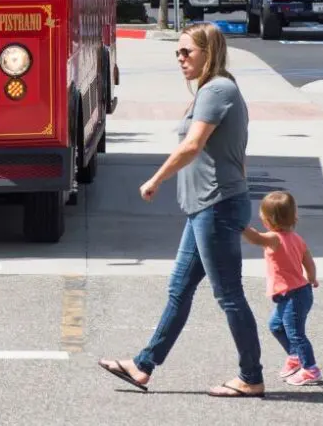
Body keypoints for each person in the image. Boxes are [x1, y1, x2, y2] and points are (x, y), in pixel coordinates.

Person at [98, 21, 264, 398]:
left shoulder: (217, 89)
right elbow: (235, 156)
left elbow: (193, 145)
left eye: (187, 51)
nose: (180, 58)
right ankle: (143, 366)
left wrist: (155, 179)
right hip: (209, 207)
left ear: (209, 53)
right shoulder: (216, 89)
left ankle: (251, 376)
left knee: (229, 295)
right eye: (177, 51)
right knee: (179, 289)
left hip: (216, 207)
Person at [243, 190, 321, 386]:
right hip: (299, 293)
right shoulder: (297, 238)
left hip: (293, 295)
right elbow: (309, 262)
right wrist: (312, 278)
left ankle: (310, 368)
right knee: (276, 326)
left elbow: (254, 238)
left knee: (296, 333)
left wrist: (238, 224)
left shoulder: (273, 238)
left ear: (268, 219)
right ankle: (295, 356)